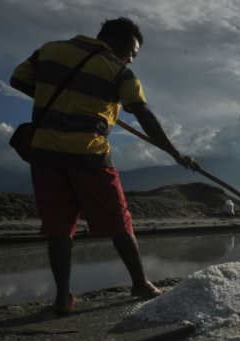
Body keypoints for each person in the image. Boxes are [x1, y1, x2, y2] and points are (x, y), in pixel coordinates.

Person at [10, 17, 198, 313]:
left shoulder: (49, 50)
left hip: (44, 151)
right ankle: (140, 284)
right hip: (88, 153)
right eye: (133, 52)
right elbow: (144, 114)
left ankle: (62, 298)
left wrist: (64, 97)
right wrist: (176, 154)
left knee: (59, 226)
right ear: (119, 41)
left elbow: (18, 80)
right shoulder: (119, 71)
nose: (132, 58)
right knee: (118, 220)